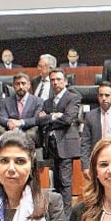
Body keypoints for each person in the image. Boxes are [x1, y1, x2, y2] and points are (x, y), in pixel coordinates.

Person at [36, 69, 81, 202]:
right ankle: (57, 214)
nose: (55, 82)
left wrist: (48, 119)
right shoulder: (47, 102)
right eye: (52, 80)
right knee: (55, 184)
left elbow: (68, 119)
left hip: (65, 145)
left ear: (65, 81)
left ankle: (66, 219)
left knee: (65, 184)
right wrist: (54, 116)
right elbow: (39, 121)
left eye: (58, 79)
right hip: (51, 146)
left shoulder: (73, 98)